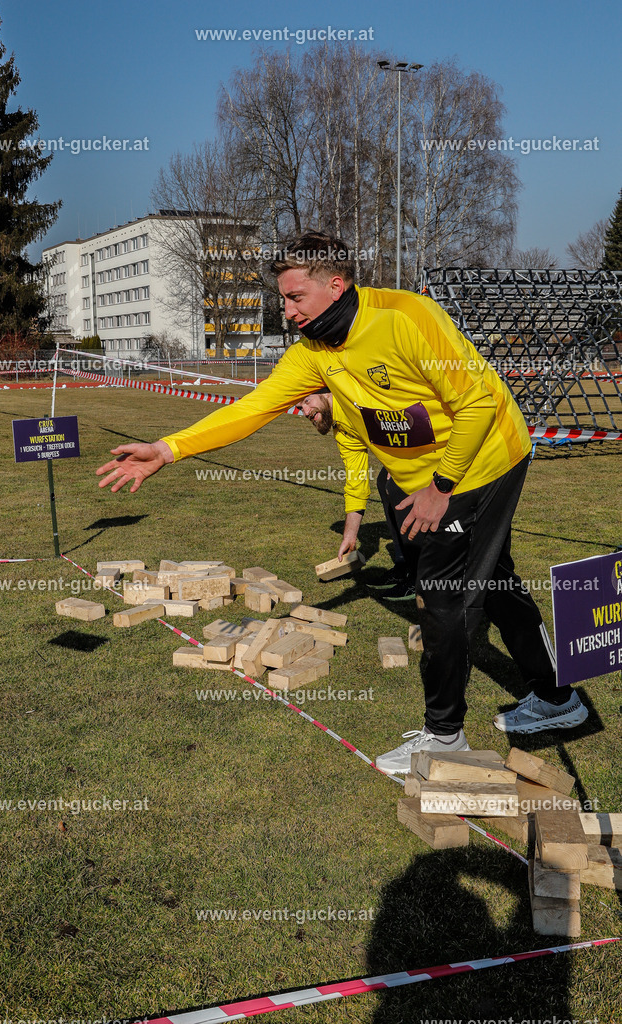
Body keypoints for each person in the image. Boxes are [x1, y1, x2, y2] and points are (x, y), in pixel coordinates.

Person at [96, 231, 588, 772]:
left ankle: (444, 737)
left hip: (484, 460)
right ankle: (558, 697)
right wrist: (166, 450)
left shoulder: (406, 318)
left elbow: (476, 405)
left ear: (335, 285)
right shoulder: (313, 354)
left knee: (442, 600)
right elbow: (252, 408)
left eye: (295, 297)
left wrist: (440, 489)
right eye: (283, 299)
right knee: (494, 582)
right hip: (425, 475)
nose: (287, 312)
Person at [297, 388, 417, 600]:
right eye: (300, 407)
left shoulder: (356, 400)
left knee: (396, 485)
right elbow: (356, 481)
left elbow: (401, 412)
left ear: (326, 393)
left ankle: (419, 579)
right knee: (384, 482)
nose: (305, 412)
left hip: (423, 439)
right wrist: (350, 536)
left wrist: (399, 458)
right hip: (402, 448)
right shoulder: (342, 429)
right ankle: (403, 567)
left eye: (307, 401)